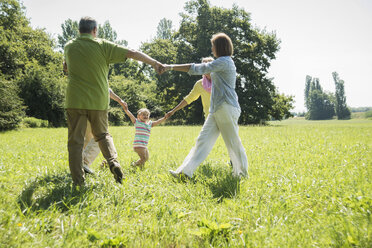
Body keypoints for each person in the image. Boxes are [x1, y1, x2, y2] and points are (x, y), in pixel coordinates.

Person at [64, 16, 163, 185]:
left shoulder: (69, 46)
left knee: (75, 142)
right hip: (98, 101)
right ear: (94, 30)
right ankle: (113, 163)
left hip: (75, 100)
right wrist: (153, 62)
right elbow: (132, 52)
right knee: (102, 135)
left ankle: (78, 182)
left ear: (79, 30)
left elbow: (66, 68)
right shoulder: (102, 45)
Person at [163, 33, 248, 179]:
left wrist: (169, 67)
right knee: (202, 140)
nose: (212, 49)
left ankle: (241, 174)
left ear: (219, 47)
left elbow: (199, 68)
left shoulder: (225, 62)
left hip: (227, 107)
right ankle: (185, 172)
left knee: (233, 142)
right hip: (216, 110)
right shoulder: (221, 62)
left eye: (213, 46)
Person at [82, 88, 124, 175]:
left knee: (89, 139)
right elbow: (110, 92)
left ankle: (82, 163)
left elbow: (110, 92)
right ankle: (84, 163)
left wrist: (120, 101)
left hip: (83, 110)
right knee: (100, 137)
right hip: (97, 111)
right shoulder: (100, 81)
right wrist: (121, 101)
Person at [120, 102, 167, 168]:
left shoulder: (150, 124)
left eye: (147, 115)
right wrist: (126, 110)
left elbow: (157, 121)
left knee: (146, 158)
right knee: (143, 158)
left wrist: (164, 118)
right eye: (143, 115)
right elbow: (130, 115)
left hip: (144, 145)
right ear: (138, 116)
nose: (145, 116)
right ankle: (134, 165)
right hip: (138, 144)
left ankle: (137, 166)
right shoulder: (137, 122)